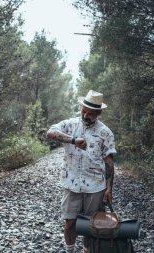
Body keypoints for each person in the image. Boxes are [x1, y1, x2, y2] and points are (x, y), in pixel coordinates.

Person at [46, 90, 117, 253]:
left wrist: (109, 188)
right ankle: (70, 250)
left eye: (91, 114)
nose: (86, 115)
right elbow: (50, 132)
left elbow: (109, 162)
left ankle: (86, 250)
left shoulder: (105, 132)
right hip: (71, 183)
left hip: (95, 186)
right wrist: (72, 140)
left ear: (98, 113)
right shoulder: (69, 125)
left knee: (91, 225)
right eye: (84, 111)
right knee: (69, 222)